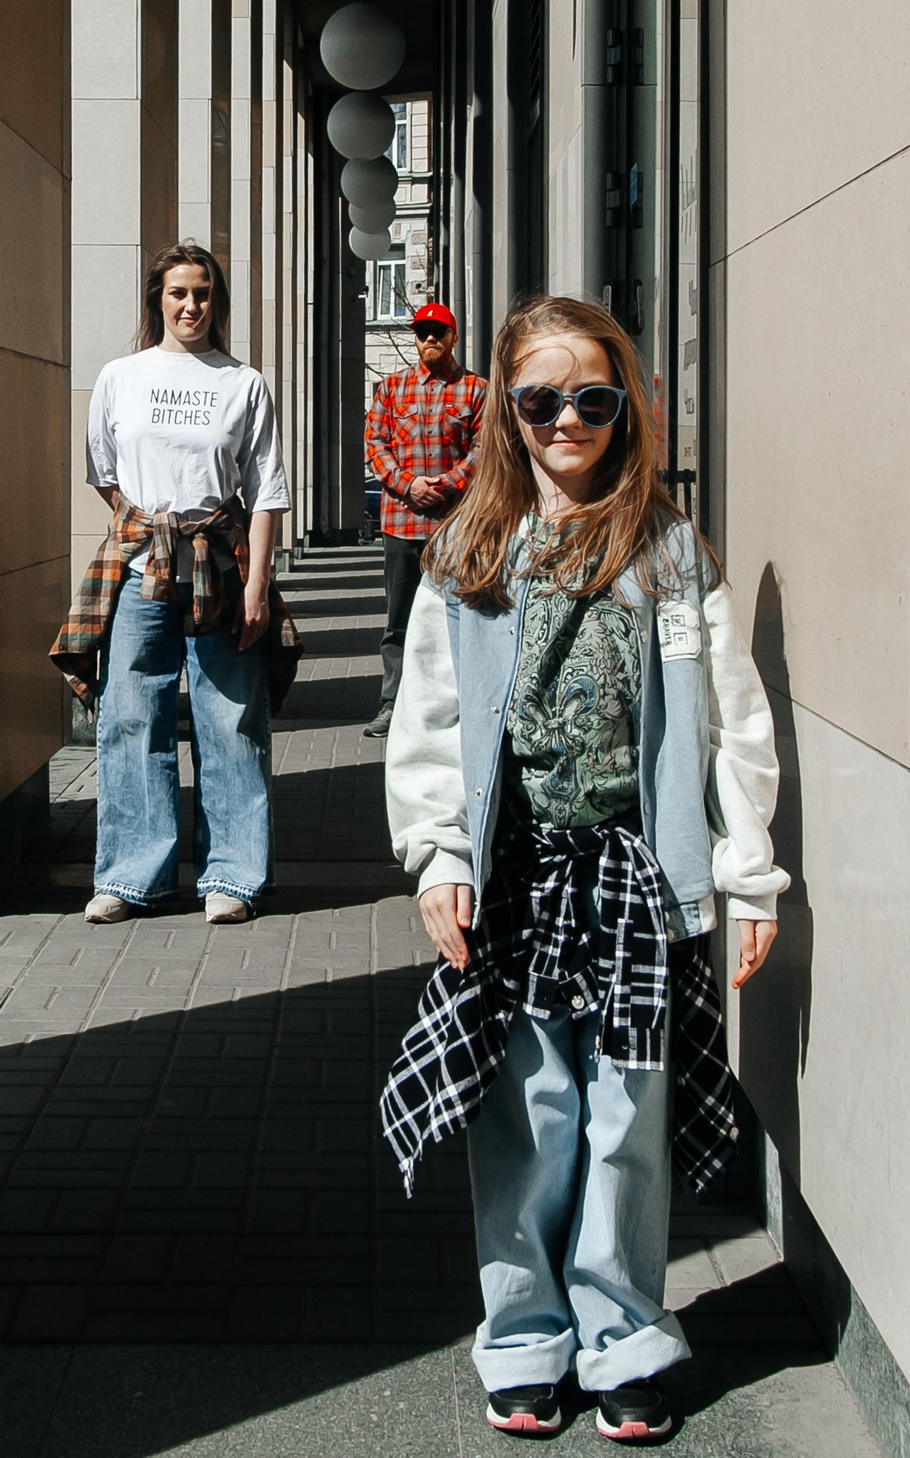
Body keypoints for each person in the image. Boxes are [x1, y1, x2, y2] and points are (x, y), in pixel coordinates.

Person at [377, 296, 787, 1441]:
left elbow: (729, 725)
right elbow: (429, 721)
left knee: (627, 1113)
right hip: (517, 875)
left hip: (635, 875)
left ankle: (623, 1336)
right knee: (527, 1112)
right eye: (541, 399)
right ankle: (522, 1336)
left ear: (626, 410)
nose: (567, 420)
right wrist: (438, 858)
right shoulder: (468, 554)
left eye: (592, 399)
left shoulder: (668, 552)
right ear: (506, 412)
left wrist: (746, 871)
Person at [51, 243, 292, 925]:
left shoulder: (243, 383)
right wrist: (151, 531)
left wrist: (257, 585)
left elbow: (267, 493)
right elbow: (103, 473)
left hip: (223, 573)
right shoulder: (120, 377)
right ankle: (133, 877)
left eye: (203, 293)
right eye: (179, 292)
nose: (192, 305)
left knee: (231, 722)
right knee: (132, 721)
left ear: (218, 301)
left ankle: (233, 877)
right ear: (157, 298)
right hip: (139, 578)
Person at [363, 300, 488, 738]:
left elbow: (485, 450)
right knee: (398, 619)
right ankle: (392, 705)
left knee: (461, 614)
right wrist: (408, 484)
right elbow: (375, 444)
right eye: (422, 332)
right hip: (402, 525)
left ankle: (460, 706)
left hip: (457, 527)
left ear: (454, 338)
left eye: (438, 332)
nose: (429, 338)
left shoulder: (477, 391)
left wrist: (448, 484)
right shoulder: (390, 389)